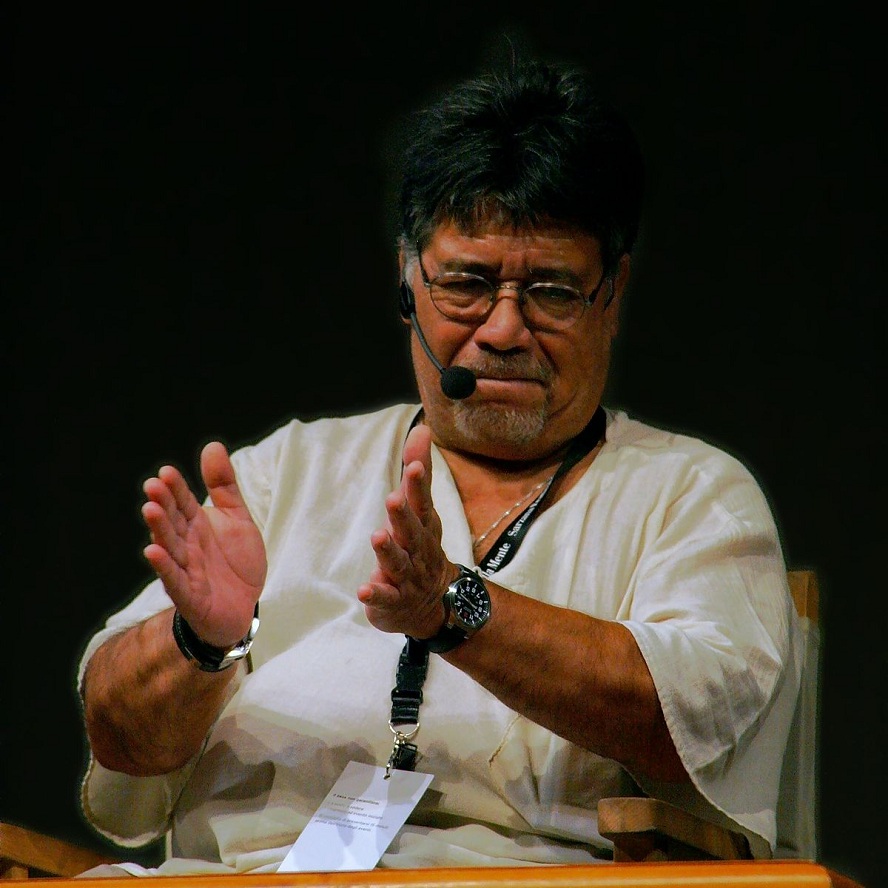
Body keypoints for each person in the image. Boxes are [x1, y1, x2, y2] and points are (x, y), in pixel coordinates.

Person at [77, 55, 802, 875]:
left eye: (552, 291)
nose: (504, 330)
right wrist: (201, 644)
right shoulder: (286, 475)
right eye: (467, 284)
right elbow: (121, 740)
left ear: (613, 294)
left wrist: (452, 607)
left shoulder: (695, 498)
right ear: (407, 281)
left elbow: (684, 722)